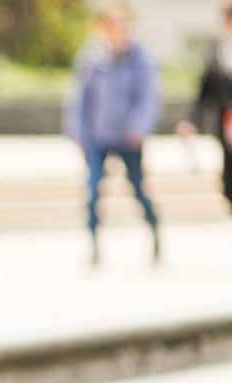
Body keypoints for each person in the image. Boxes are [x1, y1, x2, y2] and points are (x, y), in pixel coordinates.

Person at [65, 3, 162, 266]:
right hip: (99, 136)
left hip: (129, 138)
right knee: (93, 190)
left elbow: (148, 99)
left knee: (138, 188)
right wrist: (79, 135)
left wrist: (139, 128)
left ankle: (155, 230)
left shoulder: (141, 58)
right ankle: (94, 244)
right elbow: (80, 101)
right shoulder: (92, 59)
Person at [180, 3, 232, 249]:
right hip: (228, 130)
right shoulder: (219, 54)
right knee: (229, 183)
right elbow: (204, 93)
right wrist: (192, 122)